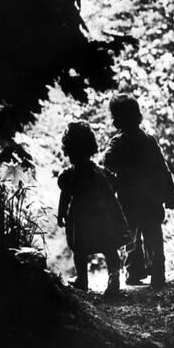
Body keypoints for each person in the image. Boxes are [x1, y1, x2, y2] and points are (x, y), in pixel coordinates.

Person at [103, 95, 174, 289]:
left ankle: (134, 273)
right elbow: (163, 168)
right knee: (153, 235)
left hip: (128, 200)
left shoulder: (117, 142)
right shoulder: (148, 140)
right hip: (151, 198)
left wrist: (122, 170)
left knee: (130, 238)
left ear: (117, 120)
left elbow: (108, 162)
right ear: (137, 116)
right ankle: (158, 273)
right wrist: (170, 194)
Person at [57, 121, 131, 296]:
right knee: (110, 248)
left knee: (80, 251)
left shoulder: (69, 175)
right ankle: (114, 277)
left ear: (68, 150)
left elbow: (65, 196)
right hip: (103, 218)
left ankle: (82, 279)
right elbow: (113, 186)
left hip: (82, 221)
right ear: (91, 146)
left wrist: (61, 215)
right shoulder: (100, 172)